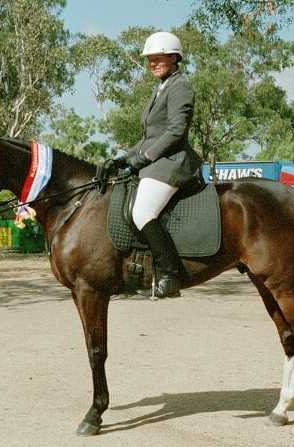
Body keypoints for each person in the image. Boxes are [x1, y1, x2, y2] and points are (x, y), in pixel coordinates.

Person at [113, 31, 202, 299]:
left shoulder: (180, 86)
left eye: (158, 57)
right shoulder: (161, 88)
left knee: (142, 211)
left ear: (174, 58)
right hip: (157, 161)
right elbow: (148, 137)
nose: (153, 62)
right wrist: (123, 158)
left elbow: (175, 131)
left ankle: (169, 274)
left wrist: (144, 158)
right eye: (150, 59)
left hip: (173, 162)